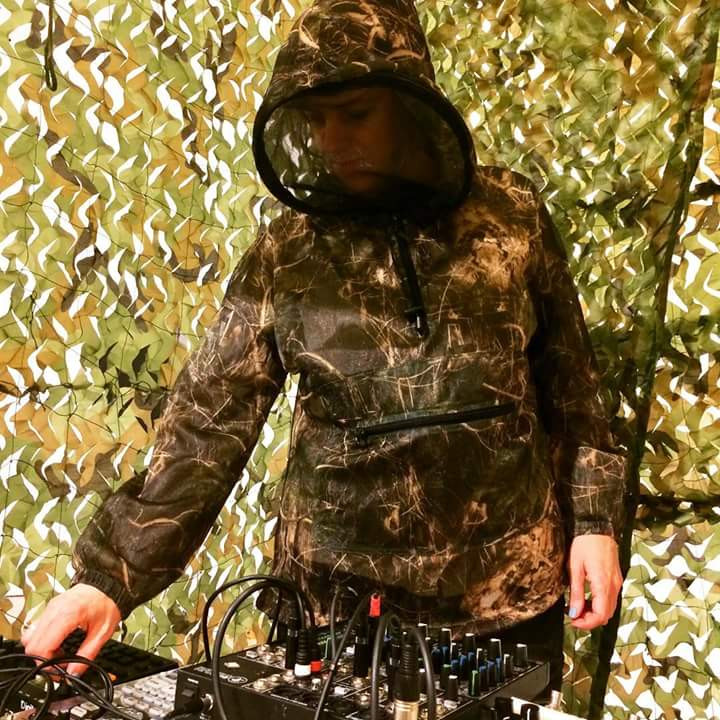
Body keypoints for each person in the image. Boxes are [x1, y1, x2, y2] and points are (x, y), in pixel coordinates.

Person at [23, 0, 626, 690]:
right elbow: (209, 422)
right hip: (336, 614)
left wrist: (596, 522)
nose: (334, 140)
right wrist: (108, 580)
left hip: (510, 598)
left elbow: (570, 381)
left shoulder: (510, 214)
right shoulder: (290, 251)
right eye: (316, 120)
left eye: (357, 114)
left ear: (411, 102)